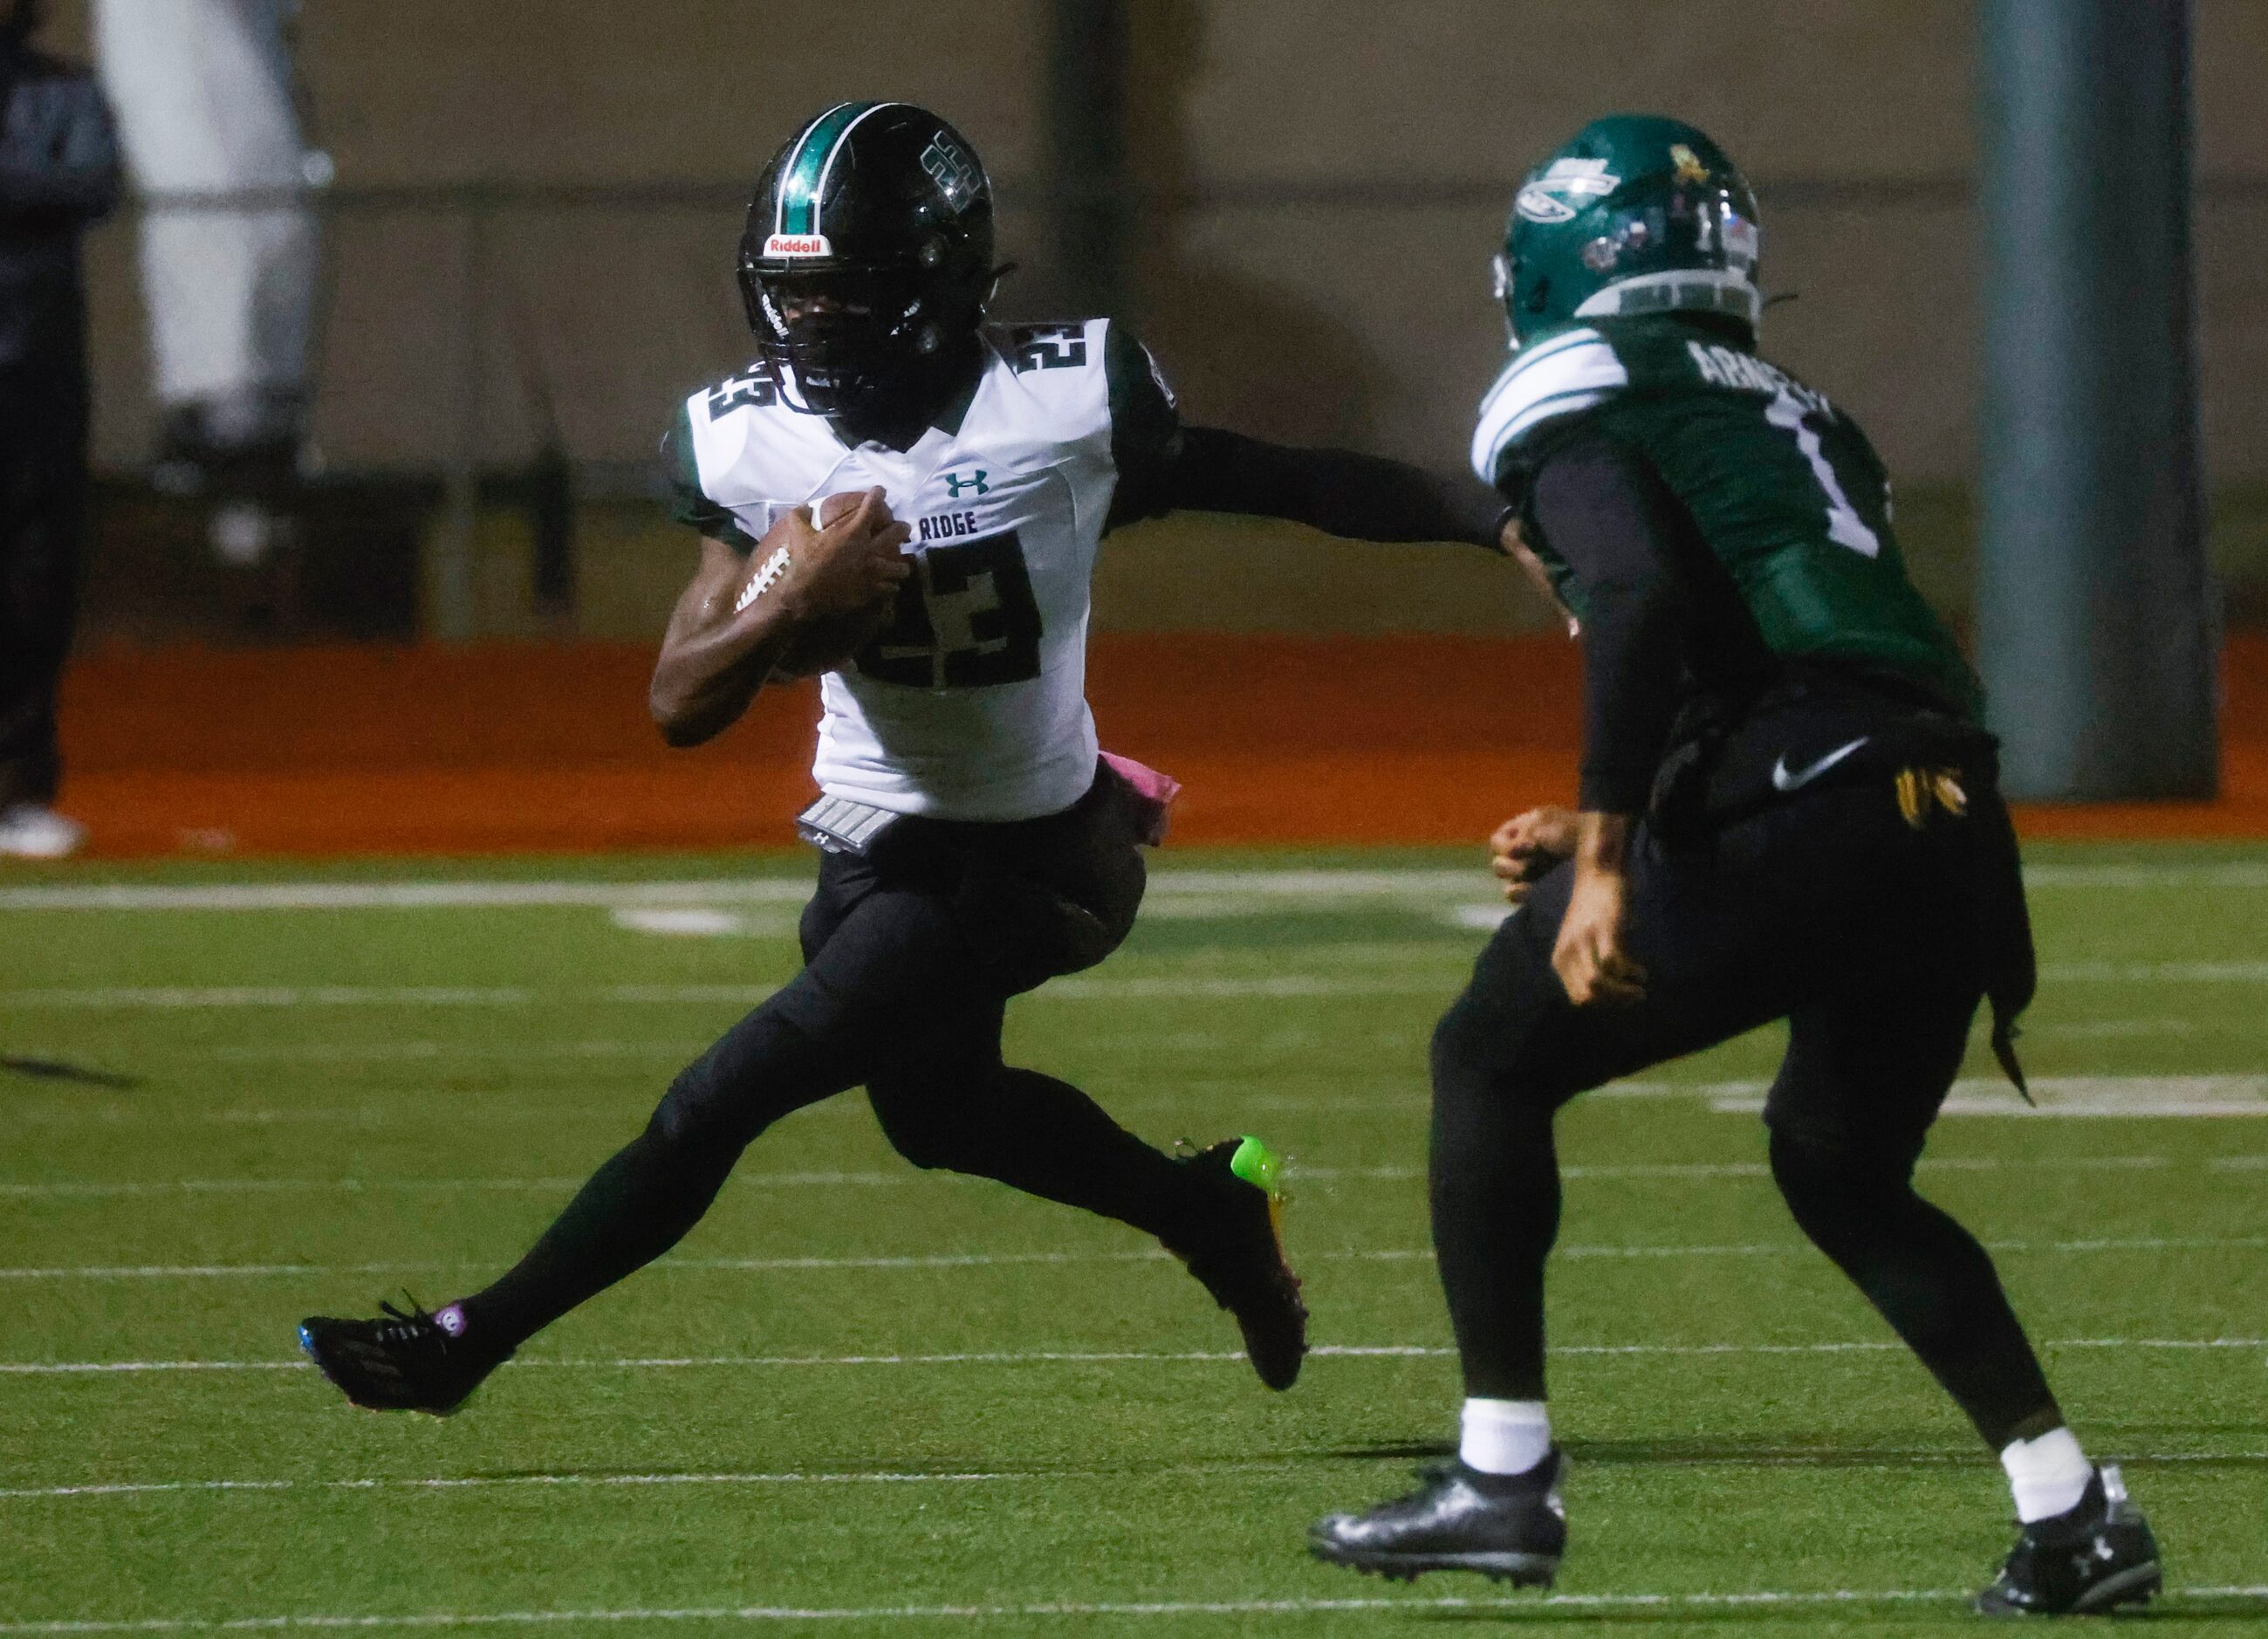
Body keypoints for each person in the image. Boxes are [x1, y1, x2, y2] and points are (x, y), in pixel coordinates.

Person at [298, 102, 1509, 1416]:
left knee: (716, 1100)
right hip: (871, 850)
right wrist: (785, 595)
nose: (810, 326)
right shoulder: (745, 438)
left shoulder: (1054, 406)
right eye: (792, 295)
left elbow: (1286, 480)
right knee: (943, 1117)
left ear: (936, 279)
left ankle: (463, 1344)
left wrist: (1498, 516)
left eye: (846, 295)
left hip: (1029, 856)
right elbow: (678, 700)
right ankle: (1203, 1206)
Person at [1307, 117, 2162, 1617]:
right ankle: (2070, 1508)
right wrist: (1600, 816)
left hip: (1810, 796)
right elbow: (1787, 653)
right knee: (1838, 1166)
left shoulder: (1574, 385)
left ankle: (1499, 1476)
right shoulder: (1799, 409)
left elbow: (1632, 596)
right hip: (1944, 805)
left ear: (1558, 264)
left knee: (1489, 1058)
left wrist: (1609, 858)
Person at [0, 0, 118, 860]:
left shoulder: (67, 92)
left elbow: (91, 184)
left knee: (38, 579)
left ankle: (19, 786)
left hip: (40, 371)